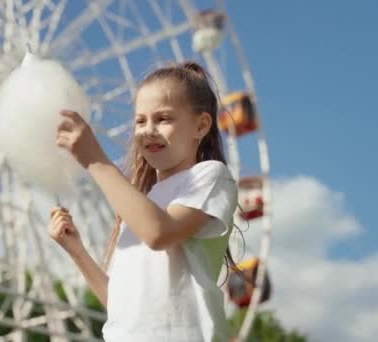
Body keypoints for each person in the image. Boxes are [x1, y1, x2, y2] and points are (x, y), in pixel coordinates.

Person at [49, 61, 239, 341]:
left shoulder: (211, 176)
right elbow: (120, 304)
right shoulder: (140, 207)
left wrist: (94, 160)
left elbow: (160, 233)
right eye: (140, 120)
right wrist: (76, 249)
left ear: (201, 125)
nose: (149, 129)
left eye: (163, 119)